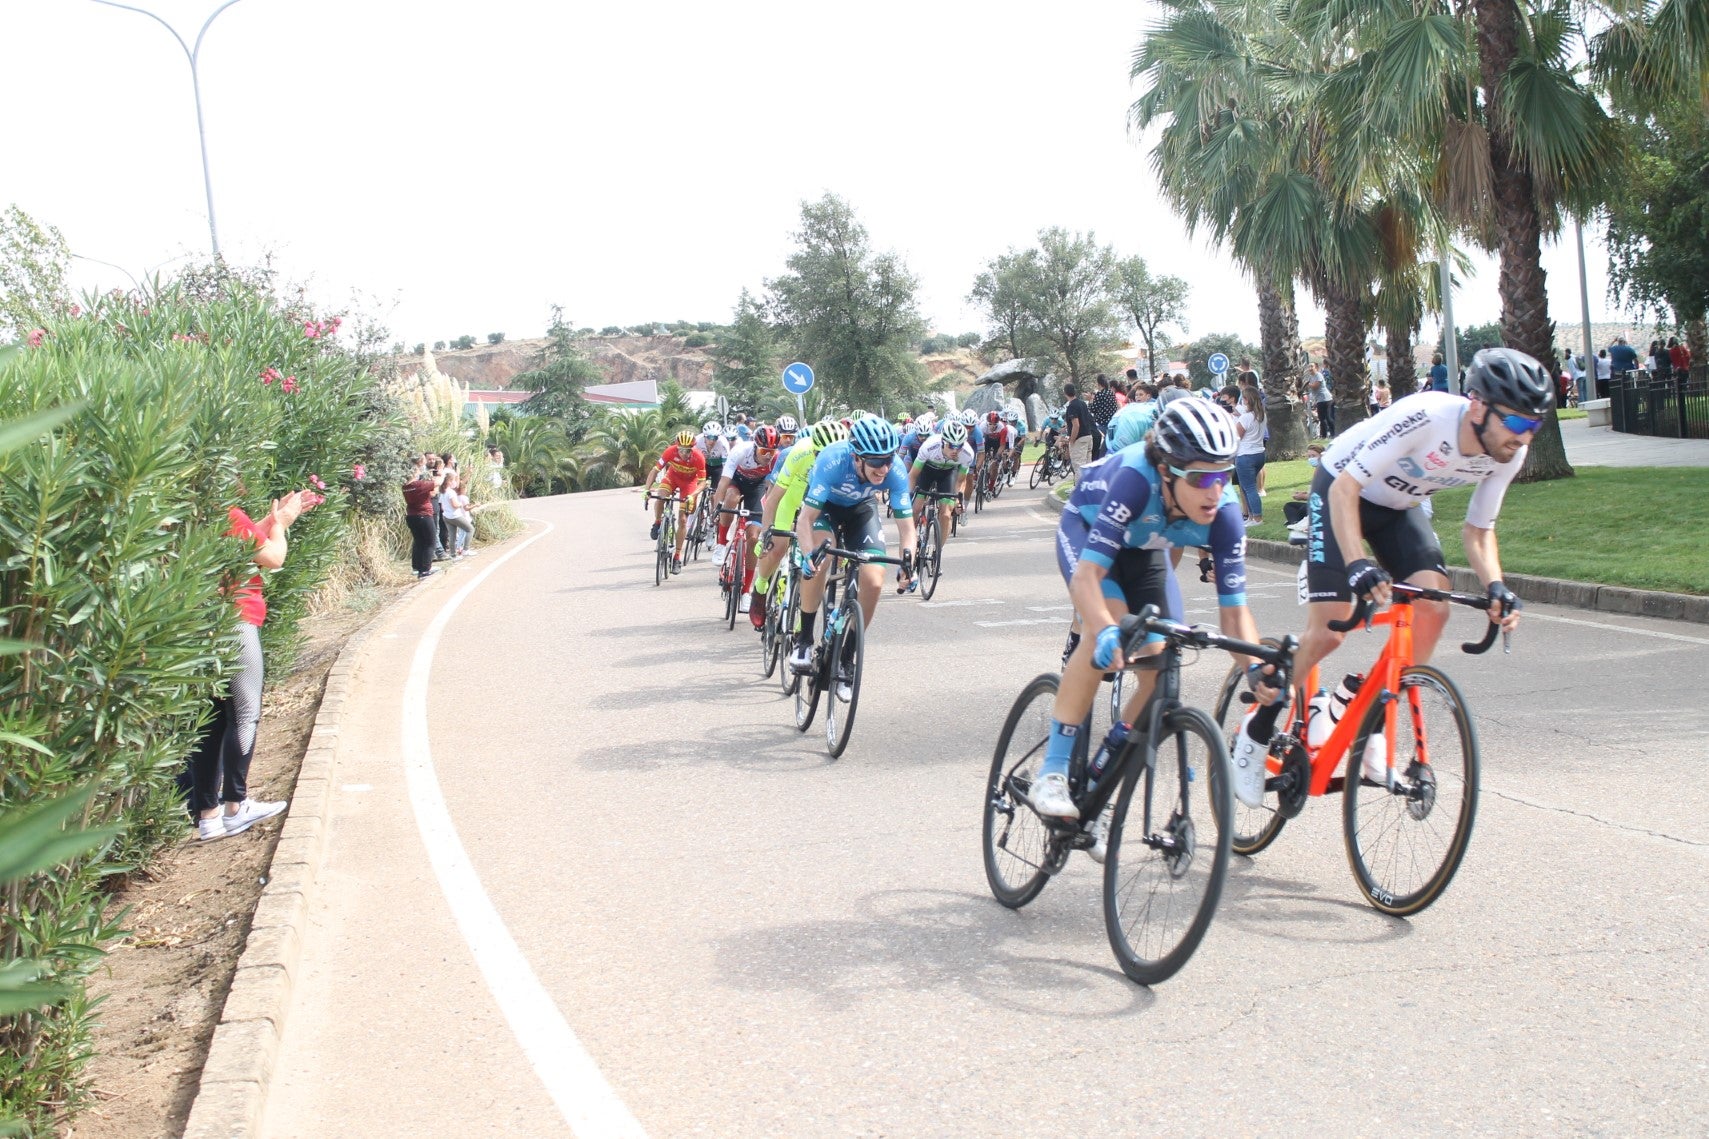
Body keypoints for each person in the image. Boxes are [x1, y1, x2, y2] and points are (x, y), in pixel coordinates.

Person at [1236, 347, 1547, 797]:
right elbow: (1346, 488)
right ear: (1478, 406)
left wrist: (1496, 585)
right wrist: (1357, 563)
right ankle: (1257, 727)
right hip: (1340, 489)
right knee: (1331, 630)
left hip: (1398, 508)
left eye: (1535, 426)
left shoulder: (1508, 452)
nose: (1525, 436)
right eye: (1517, 422)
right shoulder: (1428, 417)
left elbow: (1480, 529)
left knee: (1433, 607)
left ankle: (1368, 719)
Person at [1028, 400, 1282, 820]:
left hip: (1146, 547)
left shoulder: (1224, 514)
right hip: (1088, 527)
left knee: (1159, 666)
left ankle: (1102, 774)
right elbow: (1087, 579)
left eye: (1223, 474)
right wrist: (1105, 629)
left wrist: (1255, 669)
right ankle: (1052, 772)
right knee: (1103, 631)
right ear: (1166, 470)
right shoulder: (1134, 481)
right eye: (1201, 477)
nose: (1215, 490)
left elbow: (1235, 614)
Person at [182, 489, 313, 840]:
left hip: (204, 623)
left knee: (211, 719)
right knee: (244, 713)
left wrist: (272, 519)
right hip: (237, 620)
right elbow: (273, 557)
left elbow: (244, 544)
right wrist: (280, 527)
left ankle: (207, 816)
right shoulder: (228, 514)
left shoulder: (196, 515)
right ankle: (236, 805)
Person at [788, 417, 917, 696]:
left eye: (888, 459)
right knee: (821, 559)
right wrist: (808, 555)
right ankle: (804, 639)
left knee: (874, 580)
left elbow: (907, 528)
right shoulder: (832, 461)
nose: (884, 468)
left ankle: (847, 658)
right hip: (826, 508)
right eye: (876, 461)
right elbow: (805, 520)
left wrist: (909, 564)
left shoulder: (894, 470)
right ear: (857, 457)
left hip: (862, 510)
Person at [750, 419, 846, 629]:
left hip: (817, 501)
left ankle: (804, 621)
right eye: (819, 454)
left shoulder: (845, 458)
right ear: (813, 448)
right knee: (777, 547)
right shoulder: (798, 452)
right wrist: (766, 533)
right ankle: (761, 585)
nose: (825, 459)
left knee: (816, 560)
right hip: (791, 496)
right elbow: (773, 499)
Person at [711, 424, 782, 610]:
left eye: (772, 451)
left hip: (756, 488)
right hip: (736, 481)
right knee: (731, 498)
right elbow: (723, 483)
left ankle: (745, 592)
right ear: (755, 446)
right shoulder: (741, 451)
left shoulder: (777, 459)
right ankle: (721, 544)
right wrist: (716, 508)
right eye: (764, 451)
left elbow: (772, 491)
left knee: (753, 538)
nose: (768, 455)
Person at [909, 417, 975, 560]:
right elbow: (913, 475)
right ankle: (910, 540)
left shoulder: (967, 453)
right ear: (943, 441)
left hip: (948, 473)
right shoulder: (929, 446)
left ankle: (938, 551)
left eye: (959, 446)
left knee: (946, 514)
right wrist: (909, 496)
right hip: (927, 471)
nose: (955, 450)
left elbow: (960, 481)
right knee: (915, 508)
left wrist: (958, 500)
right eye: (951, 446)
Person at [641, 429, 706, 573]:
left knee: (683, 520)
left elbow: (702, 482)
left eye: (687, 450)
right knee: (661, 496)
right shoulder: (670, 451)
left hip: (689, 484)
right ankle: (658, 522)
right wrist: (647, 489)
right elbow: (655, 470)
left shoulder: (699, 457)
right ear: (677, 447)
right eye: (681, 450)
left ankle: (677, 557)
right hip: (672, 478)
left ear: (692, 448)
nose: (684, 453)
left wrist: (693, 495)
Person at [402, 457, 443, 578]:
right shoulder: (418, 485)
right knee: (430, 542)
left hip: (412, 516)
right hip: (424, 515)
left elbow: (431, 493)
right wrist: (440, 472)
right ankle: (425, 569)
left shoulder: (405, 486)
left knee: (419, 542)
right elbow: (438, 482)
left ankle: (417, 567)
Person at [1233, 387, 1267, 526]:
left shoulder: (1246, 417)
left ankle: (1257, 518)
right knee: (1247, 486)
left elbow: (1237, 436)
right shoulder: (1261, 415)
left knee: (1249, 487)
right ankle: (1252, 517)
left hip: (1245, 454)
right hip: (1259, 453)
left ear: (1246, 400)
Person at [441, 470, 475, 557]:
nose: (455, 482)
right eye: (453, 480)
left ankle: (453, 554)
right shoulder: (451, 492)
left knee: (452, 536)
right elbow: (455, 505)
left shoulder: (443, 492)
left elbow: (442, 506)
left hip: (446, 516)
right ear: (449, 481)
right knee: (470, 529)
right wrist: (460, 504)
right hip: (454, 515)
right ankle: (465, 549)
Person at [1063, 384, 1095, 472]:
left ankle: (1080, 481)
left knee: (1079, 468)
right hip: (1088, 436)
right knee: (1088, 467)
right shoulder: (1083, 403)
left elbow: (1076, 425)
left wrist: (1072, 441)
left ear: (1065, 393)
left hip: (1079, 439)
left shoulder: (1072, 406)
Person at [1089, 374, 1118, 460]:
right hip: (1112, 422)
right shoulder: (1111, 393)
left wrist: (1090, 400)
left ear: (1099, 384)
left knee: (1100, 447)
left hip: (1101, 424)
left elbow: (1092, 409)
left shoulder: (1099, 394)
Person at [1306, 361, 1334, 437]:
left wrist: (1307, 384)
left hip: (1326, 399)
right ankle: (1324, 436)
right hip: (1319, 400)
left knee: (1328, 418)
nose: (1310, 368)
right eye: (1309, 367)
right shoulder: (1310, 377)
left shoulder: (1318, 375)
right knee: (1321, 418)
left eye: (1312, 366)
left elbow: (1316, 386)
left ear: (1316, 368)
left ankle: (1333, 433)